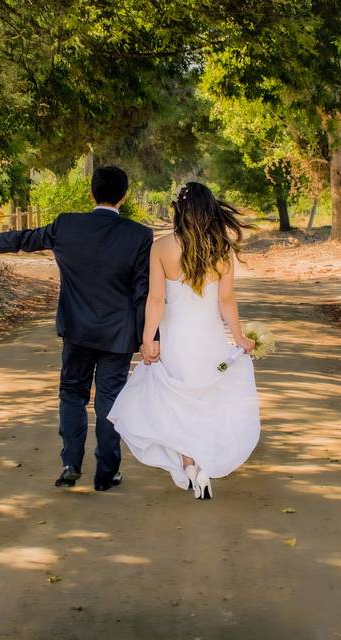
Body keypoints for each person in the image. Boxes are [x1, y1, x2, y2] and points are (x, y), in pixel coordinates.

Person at [0, 166, 152, 491]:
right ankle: (107, 474)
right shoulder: (138, 235)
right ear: (124, 195)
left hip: (77, 330)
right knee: (110, 400)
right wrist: (150, 337)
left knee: (72, 394)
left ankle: (70, 463)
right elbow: (142, 291)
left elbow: (18, 240)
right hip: (118, 335)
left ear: (92, 192)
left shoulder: (67, 225)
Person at [108, 182, 260, 500]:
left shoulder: (162, 247)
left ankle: (190, 465)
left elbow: (156, 300)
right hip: (209, 339)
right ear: (210, 211)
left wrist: (148, 339)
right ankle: (203, 467)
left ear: (179, 211)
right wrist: (239, 337)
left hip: (177, 340)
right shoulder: (222, 250)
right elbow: (227, 300)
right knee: (207, 401)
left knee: (177, 403)